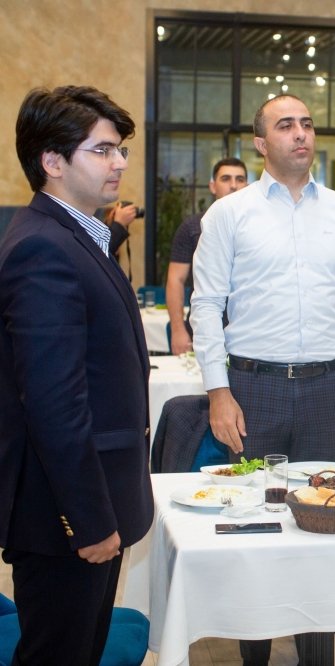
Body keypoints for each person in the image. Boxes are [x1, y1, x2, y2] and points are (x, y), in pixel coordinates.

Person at [190, 94, 335, 665]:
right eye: (285, 125)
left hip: (328, 389)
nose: (300, 134)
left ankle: (316, 654)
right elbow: (206, 306)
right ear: (260, 143)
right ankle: (254, 655)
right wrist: (218, 391)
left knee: (328, 522)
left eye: (306, 124)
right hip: (254, 388)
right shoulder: (229, 214)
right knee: (256, 525)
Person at [0, 85, 153, 665]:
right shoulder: (43, 248)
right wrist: (87, 521)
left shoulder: (77, 236)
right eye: (102, 150)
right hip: (65, 513)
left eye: (120, 150)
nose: (119, 163)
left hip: (92, 498)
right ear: (53, 161)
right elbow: (53, 404)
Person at [165, 157, 248, 354]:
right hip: (204, 329)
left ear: (247, 185)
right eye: (226, 179)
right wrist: (177, 330)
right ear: (212, 186)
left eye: (240, 179)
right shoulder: (192, 227)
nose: (234, 185)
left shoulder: (259, 227)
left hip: (249, 332)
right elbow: (175, 280)